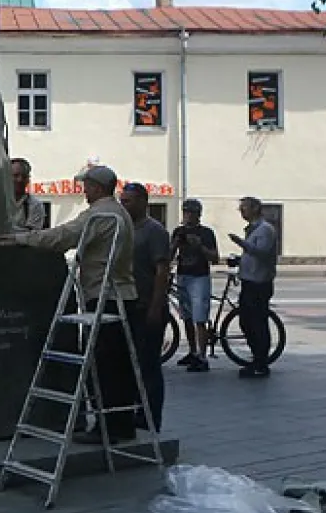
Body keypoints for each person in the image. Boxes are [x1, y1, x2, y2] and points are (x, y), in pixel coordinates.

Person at [0, 165, 138, 443]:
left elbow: (63, 236)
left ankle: (111, 429)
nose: (84, 190)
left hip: (106, 296)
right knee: (117, 366)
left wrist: (19, 240)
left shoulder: (102, 214)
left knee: (106, 366)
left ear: (96, 186)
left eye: (87, 185)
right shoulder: (120, 213)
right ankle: (120, 426)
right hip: (119, 294)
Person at [119, 183, 171, 431]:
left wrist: (155, 306)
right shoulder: (125, 229)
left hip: (148, 306)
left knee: (149, 365)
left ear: (142, 201)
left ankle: (151, 419)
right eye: (122, 200)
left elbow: (162, 271)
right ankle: (133, 414)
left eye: (128, 201)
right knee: (130, 364)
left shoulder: (154, 231)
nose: (123, 205)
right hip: (129, 305)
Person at [228, 196, 278, 379]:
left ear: (255, 209)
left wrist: (241, 243)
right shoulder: (254, 229)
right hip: (249, 281)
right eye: (240, 208)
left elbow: (262, 253)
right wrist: (239, 260)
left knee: (257, 322)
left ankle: (261, 362)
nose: (242, 211)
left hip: (259, 283)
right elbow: (253, 254)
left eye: (244, 208)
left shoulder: (265, 230)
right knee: (246, 321)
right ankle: (256, 357)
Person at [171, 198, 219, 372]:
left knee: (199, 318)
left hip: (199, 277)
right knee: (187, 317)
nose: (188, 216)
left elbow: (215, 258)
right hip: (183, 275)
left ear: (198, 215)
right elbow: (169, 255)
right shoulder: (178, 231)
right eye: (186, 212)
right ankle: (192, 351)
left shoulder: (206, 233)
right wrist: (176, 243)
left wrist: (199, 246)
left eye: (191, 213)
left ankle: (202, 356)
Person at [11, 158, 47, 231]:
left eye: (24, 176)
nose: (20, 180)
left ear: (28, 179)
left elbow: (32, 236)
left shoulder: (35, 205)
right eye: (15, 175)